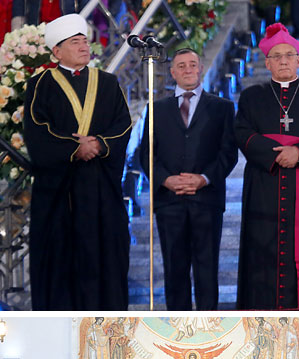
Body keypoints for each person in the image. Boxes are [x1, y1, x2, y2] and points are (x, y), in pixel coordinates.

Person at [23, 14, 131, 310]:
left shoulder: (108, 82)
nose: (84, 46)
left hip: (100, 190)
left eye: (85, 40)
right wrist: (73, 148)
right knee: (60, 262)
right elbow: (36, 130)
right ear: (56, 51)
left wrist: (99, 144)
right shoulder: (40, 85)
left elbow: (123, 125)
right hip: (60, 194)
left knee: (107, 257)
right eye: (75, 42)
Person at [235, 24, 299, 309]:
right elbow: (242, 133)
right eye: (277, 56)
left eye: (288, 55)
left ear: (298, 60)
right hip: (263, 186)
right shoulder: (251, 96)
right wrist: (276, 154)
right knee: (261, 250)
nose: (283, 61)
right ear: (267, 62)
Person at [140, 46, 238, 309]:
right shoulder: (157, 109)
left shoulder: (222, 108)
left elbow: (228, 153)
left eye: (192, 65)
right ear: (172, 72)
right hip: (169, 201)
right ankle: (178, 329)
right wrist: (166, 180)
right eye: (181, 66)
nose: (187, 70)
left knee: (207, 270)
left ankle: (209, 328)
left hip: (206, 200)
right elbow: (146, 154)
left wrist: (204, 179)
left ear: (201, 68)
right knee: (174, 270)